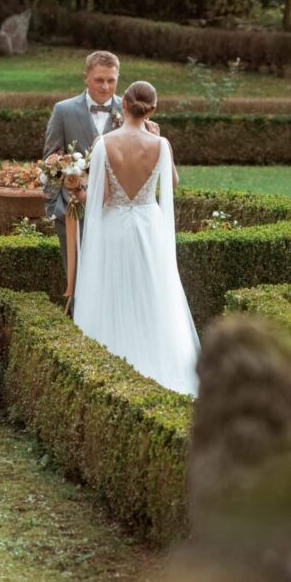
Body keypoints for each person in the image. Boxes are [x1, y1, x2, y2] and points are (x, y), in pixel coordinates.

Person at [73, 81, 200, 397]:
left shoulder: (105, 143)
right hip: (149, 227)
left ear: (123, 105)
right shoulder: (161, 144)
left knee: (114, 289)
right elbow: (171, 182)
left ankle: (113, 361)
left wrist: (76, 190)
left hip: (115, 227)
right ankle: (157, 360)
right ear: (152, 110)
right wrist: (158, 141)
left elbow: (100, 198)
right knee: (153, 292)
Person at [42, 50, 158, 268]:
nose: (105, 86)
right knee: (76, 282)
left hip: (117, 214)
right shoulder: (63, 111)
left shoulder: (131, 110)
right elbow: (49, 159)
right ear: (86, 77)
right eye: (99, 80)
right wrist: (53, 207)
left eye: (111, 80)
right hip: (74, 213)